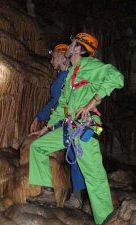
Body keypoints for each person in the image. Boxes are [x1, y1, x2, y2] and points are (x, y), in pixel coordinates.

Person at [28, 32, 124, 225]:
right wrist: (44, 129)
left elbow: (117, 78)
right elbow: (62, 106)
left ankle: (106, 220)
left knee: (94, 177)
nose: (68, 47)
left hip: (85, 127)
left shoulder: (93, 67)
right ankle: (47, 192)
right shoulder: (72, 72)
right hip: (69, 127)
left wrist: (93, 102)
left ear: (80, 48)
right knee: (37, 146)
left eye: (72, 44)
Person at [29, 43, 87, 208]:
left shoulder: (70, 76)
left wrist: (43, 120)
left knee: (75, 155)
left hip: (72, 122)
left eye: (53, 57)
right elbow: (54, 102)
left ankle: (77, 196)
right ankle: (48, 192)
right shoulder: (62, 76)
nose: (50, 61)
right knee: (39, 146)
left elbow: (59, 102)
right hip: (61, 122)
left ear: (63, 58)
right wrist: (39, 117)